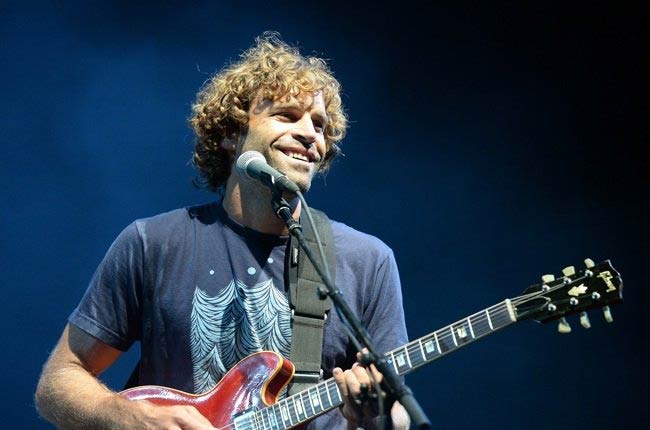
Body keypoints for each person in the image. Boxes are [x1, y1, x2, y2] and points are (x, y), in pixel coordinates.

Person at [35, 33, 410, 429]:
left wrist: (377, 418)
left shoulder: (367, 260)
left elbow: (398, 413)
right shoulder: (153, 244)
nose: (310, 133)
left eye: (319, 125)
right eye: (286, 115)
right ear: (231, 135)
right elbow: (58, 382)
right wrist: (127, 417)